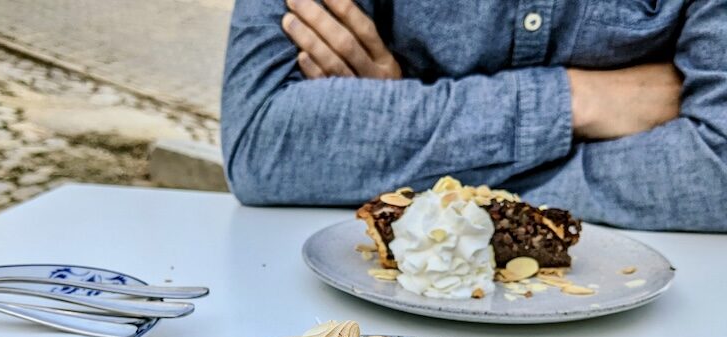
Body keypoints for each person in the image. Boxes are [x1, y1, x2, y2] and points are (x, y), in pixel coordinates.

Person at [220, 0, 727, 231]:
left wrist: (396, 142)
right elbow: (263, 143)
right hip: (354, 316)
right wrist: (576, 101)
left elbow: (715, 171)